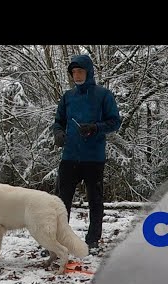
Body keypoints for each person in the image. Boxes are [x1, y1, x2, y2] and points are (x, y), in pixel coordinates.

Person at [51, 54, 121, 252]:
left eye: (80, 71)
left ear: (88, 71)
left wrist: (95, 128)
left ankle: (92, 241)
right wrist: (58, 133)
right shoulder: (67, 97)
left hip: (94, 157)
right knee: (61, 201)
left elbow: (115, 122)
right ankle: (58, 240)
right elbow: (58, 121)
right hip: (69, 156)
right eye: (73, 72)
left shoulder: (103, 95)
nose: (77, 75)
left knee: (95, 200)